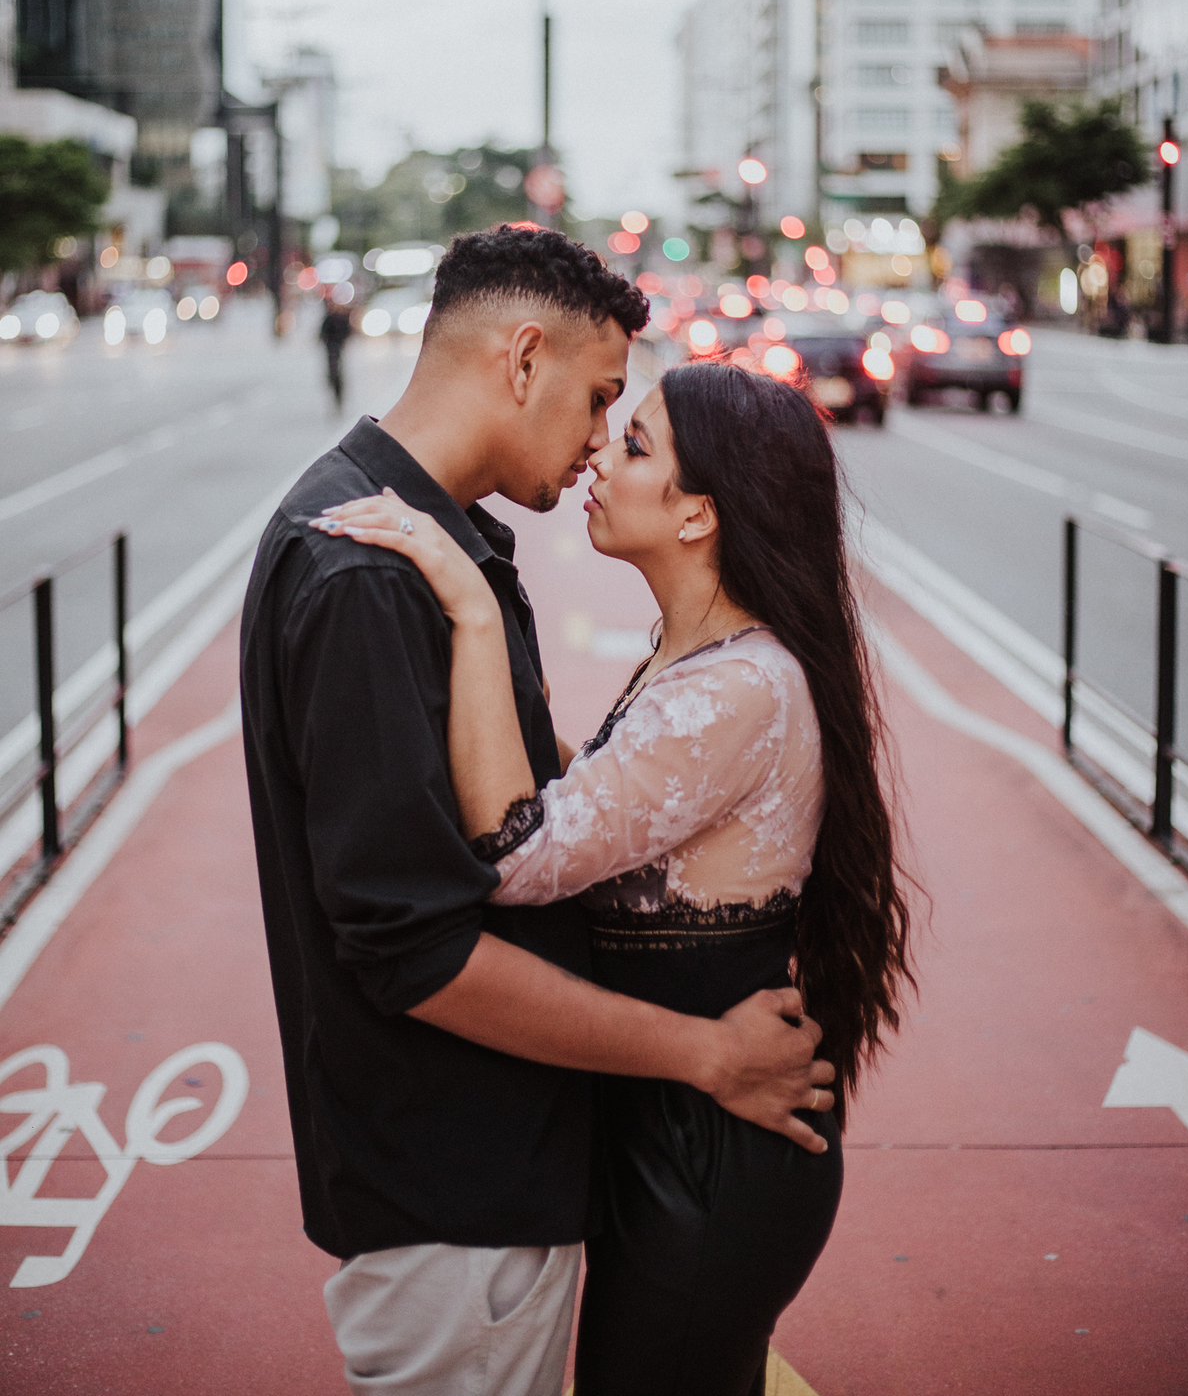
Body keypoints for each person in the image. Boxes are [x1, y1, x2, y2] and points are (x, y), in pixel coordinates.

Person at [240, 228, 835, 1396]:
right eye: (602, 398)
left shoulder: (439, 541)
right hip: (455, 1185)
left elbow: (565, 803)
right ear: (523, 359)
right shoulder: (370, 572)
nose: (600, 440)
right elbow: (419, 953)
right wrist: (707, 1053)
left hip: (498, 1167)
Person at [319, 357, 917, 1395]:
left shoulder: (737, 689)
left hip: (711, 1155)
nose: (600, 456)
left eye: (635, 445)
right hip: (684, 1125)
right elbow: (595, 800)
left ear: (698, 515)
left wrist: (470, 605)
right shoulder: (704, 666)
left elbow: (516, 854)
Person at [320, 299, 353, 408]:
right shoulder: (329, 319)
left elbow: (347, 332)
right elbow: (322, 334)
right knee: (332, 371)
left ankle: (339, 395)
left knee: (338, 372)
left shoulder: (342, 318)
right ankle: (333, 388)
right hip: (331, 350)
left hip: (338, 350)